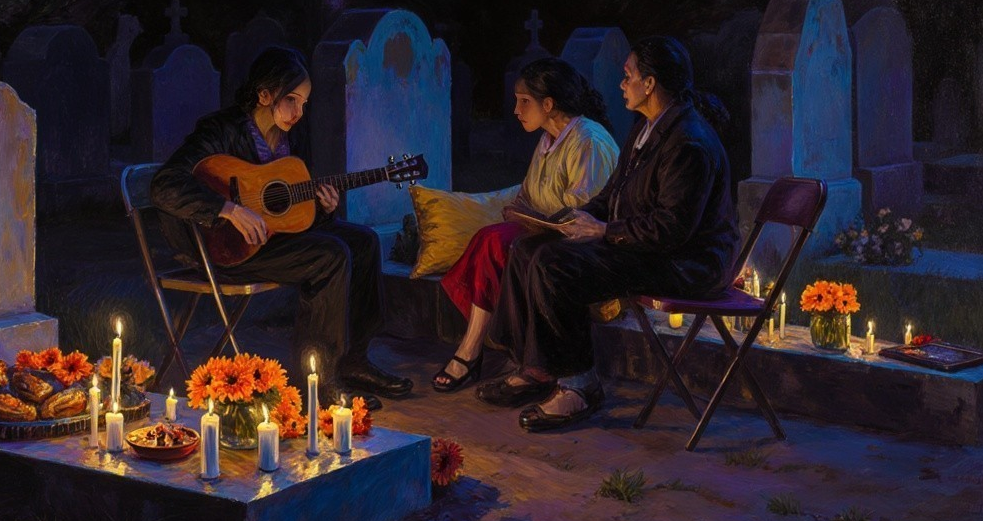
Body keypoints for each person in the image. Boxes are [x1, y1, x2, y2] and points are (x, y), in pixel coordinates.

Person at [476, 35, 740, 432]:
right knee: (529, 247)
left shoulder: (689, 142)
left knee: (555, 264)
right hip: (652, 248)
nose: (622, 84)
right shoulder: (645, 129)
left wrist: (603, 230)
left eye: (628, 75)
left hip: (689, 263)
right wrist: (576, 217)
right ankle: (536, 368)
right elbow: (614, 193)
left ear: (649, 84)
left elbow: (672, 229)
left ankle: (579, 386)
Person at [150, 46, 413, 409]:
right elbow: (164, 184)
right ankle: (319, 381)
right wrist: (227, 209)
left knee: (364, 241)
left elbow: (290, 213)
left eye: (304, 103)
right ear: (264, 94)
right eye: (292, 100)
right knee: (330, 256)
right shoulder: (221, 131)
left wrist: (323, 208)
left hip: (269, 239)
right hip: (221, 246)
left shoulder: (292, 139)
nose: (299, 112)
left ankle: (354, 361)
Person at [432, 57, 619, 392]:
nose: (516, 110)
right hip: (547, 230)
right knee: (489, 239)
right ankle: (478, 348)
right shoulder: (548, 139)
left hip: (582, 242)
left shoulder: (588, 140)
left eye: (524, 102)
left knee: (504, 245)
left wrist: (530, 216)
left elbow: (584, 211)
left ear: (548, 104)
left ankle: (487, 354)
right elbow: (532, 194)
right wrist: (522, 210)